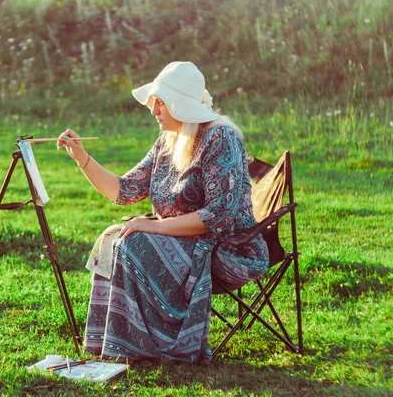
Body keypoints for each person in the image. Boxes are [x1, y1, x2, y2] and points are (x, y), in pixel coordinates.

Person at [56, 61, 269, 363]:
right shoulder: (168, 143)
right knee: (114, 239)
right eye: (154, 103)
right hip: (185, 242)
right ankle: (116, 342)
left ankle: (150, 346)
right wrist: (81, 156)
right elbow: (124, 190)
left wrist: (153, 226)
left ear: (179, 103)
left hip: (228, 249)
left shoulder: (221, 138)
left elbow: (219, 215)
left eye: (160, 103)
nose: (153, 110)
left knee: (133, 242)